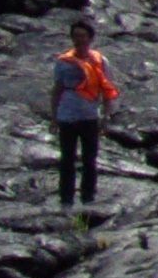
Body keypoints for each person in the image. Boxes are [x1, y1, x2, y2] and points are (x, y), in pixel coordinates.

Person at [51, 17, 119, 214]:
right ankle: (66, 200)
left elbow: (106, 89)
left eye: (83, 36)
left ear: (90, 38)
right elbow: (57, 90)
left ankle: (88, 199)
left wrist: (107, 115)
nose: (79, 40)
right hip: (67, 115)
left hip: (90, 116)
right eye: (75, 36)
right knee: (67, 159)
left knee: (90, 159)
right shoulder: (63, 62)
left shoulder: (100, 61)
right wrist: (54, 117)